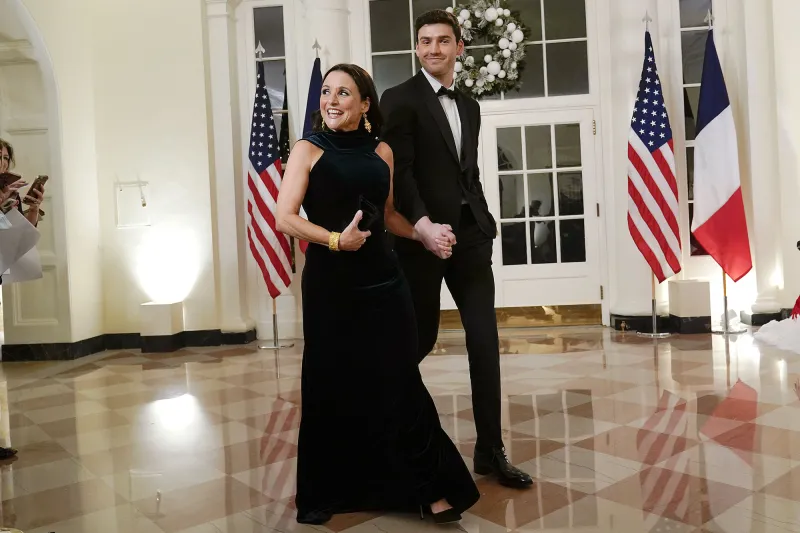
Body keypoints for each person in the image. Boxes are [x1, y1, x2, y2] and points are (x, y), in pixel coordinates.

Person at [276, 63, 480, 525]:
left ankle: (430, 489)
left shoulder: (381, 151)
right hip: (331, 284)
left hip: (385, 282)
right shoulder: (307, 150)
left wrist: (422, 235)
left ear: (365, 104)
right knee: (331, 384)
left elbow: (387, 213)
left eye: (343, 93)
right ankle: (327, 492)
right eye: (327, 92)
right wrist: (335, 239)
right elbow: (284, 216)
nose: (331, 100)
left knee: (400, 381)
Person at [380, 9, 533, 489]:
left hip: (469, 240)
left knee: (484, 343)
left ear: (459, 47)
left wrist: (482, 221)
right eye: (424, 42)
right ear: (417, 48)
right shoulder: (398, 99)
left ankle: (490, 451)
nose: (432, 49)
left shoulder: (470, 106)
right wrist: (423, 226)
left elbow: (466, 173)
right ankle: (387, 437)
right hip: (420, 240)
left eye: (442, 41)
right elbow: (400, 172)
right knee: (416, 342)